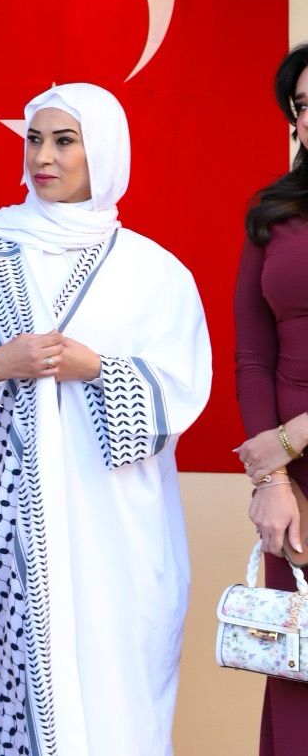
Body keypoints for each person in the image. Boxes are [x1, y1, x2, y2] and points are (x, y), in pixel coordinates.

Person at [0, 83, 211, 756]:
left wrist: (96, 368)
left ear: (103, 150)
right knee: (15, 697)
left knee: (120, 688)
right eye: (34, 139)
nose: (43, 157)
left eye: (63, 141)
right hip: (4, 529)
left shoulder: (153, 271)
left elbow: (182, 389)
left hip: (117, 527)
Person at [233, 43, 308, 755]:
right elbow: (253, 359)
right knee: (298, 666)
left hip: (292, 447)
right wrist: (273, 480)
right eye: (304, 105)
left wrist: (291, 436)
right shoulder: (273, 213)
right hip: (296, 488)